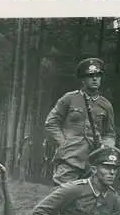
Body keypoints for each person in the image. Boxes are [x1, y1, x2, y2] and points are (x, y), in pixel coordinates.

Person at [45, 57, 116, 186]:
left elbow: (109, 133)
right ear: (83, 79)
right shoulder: (69, 99)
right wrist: (63, 143)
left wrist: (106, 148)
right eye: (90, 76)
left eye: (98, 76)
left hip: (93, 162)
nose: (95, 79)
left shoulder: (106, 105)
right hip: (70, 159)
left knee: (89, 200)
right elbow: (51, 123)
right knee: (63, 196)